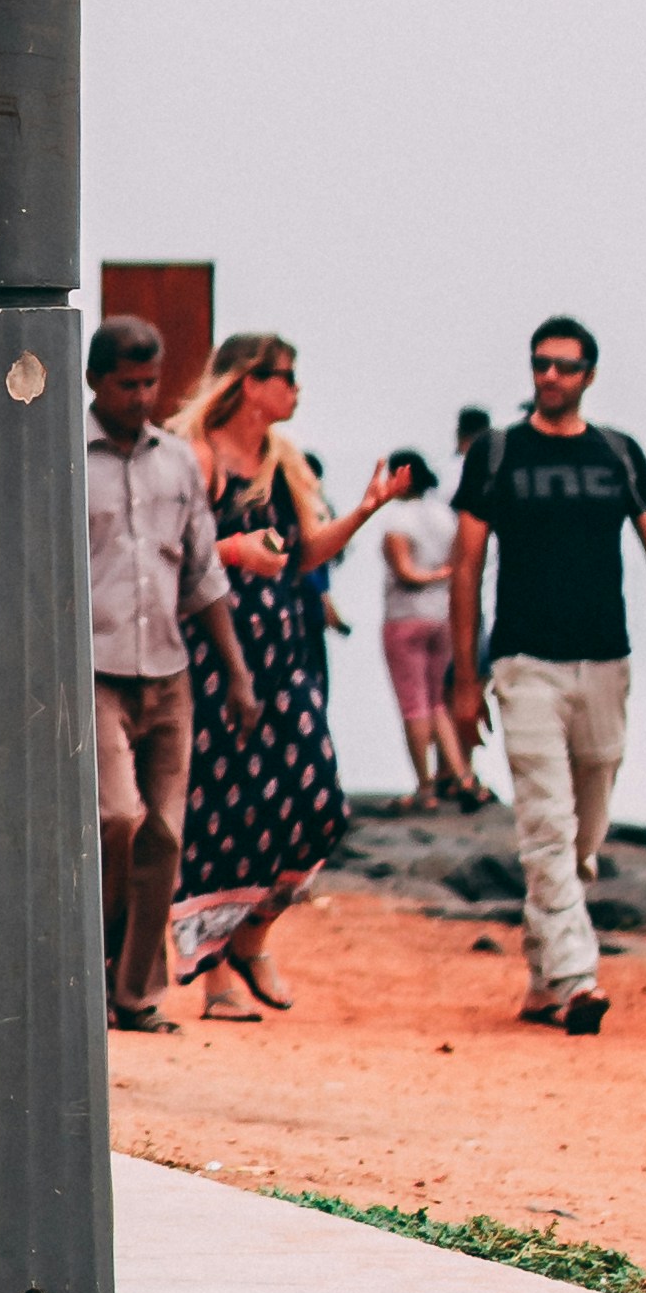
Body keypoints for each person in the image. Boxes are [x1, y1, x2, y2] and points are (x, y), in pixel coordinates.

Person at [447, 317, 646, 1033]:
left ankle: (540, 979)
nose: (550, 376)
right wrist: (463, 676)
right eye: (540, 364)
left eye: (564, 365)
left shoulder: (618, 453)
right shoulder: (496, 455)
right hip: (523, 661)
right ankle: (574, 978)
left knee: (583, 832)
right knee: (546, 822)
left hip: (606, 661)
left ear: (588, 373)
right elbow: (466, 567)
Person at [166, 334, 397, 1019]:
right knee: (222, 810)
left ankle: (252, 935)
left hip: (284, 650)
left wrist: (365, 509)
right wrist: (236, 549)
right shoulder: (198, 455)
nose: (296, 390)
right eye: (285, 377)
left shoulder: (283, 460)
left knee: (319, 803)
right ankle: (213, 979)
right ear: (245, 382)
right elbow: (169, 547)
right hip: (215, 651)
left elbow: (301, 555)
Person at [85, 315, 258, 1029]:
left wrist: (238, 675)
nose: (141, 396)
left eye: (151, 382)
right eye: (127, 383)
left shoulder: (176, 462)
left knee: (164, 834)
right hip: (95, 669)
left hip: (169, 670)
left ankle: (134, 993)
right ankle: (92, 959)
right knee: (117, 820)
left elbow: (203, 573)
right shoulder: (67, 457)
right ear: (96, 379)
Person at [373, 448, 476, 800]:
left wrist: (432, 575)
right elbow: (463, 559)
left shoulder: (397, 520)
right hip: (442, 615)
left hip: (405, 617)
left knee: (413, 704)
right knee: (437, 702)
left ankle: (425, 786)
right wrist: (448, 575)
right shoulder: (444, 515)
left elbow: (406, 573)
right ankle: (462, 776)